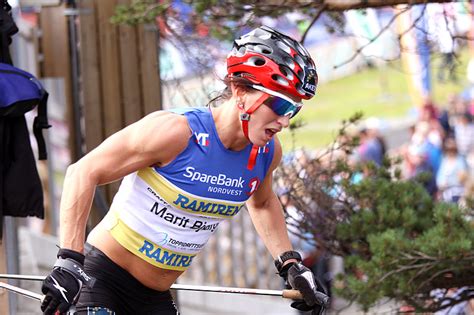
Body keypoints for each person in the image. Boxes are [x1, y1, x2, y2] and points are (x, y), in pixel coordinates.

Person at [40, 26, 329, 315]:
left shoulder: (266, 151)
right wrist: (69, 260)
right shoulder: (176, 132)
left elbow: (263, 202)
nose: (285, 120)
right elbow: (83, 171)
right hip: (102, 279)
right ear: (240, 90)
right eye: (280, 104)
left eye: (293, 110)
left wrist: (291, 264)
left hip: (155, 297)